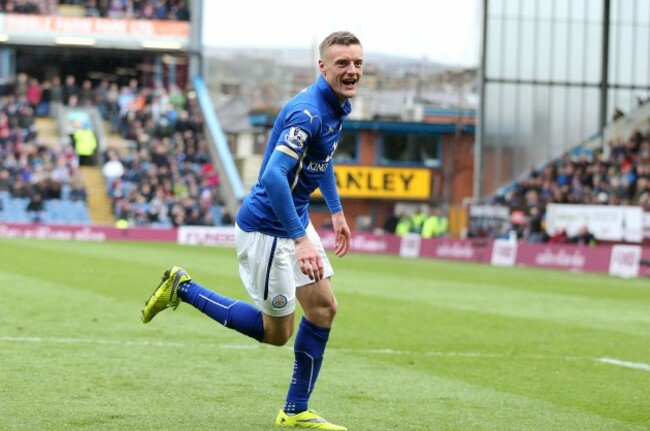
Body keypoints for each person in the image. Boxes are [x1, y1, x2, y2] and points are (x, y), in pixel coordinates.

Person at [140, 31, 363, 430]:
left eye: (358, 63)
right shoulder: (307, 112)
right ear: (323, 66)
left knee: (324, 308)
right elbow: (275, 177)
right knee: (276, 333)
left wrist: (336, 210)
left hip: (294, 220)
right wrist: (299, 240)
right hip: (266, 229)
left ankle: (295, 411)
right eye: (343, 63)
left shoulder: (335, 109)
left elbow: (321, 158)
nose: (352, 71)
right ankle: (183, 287)